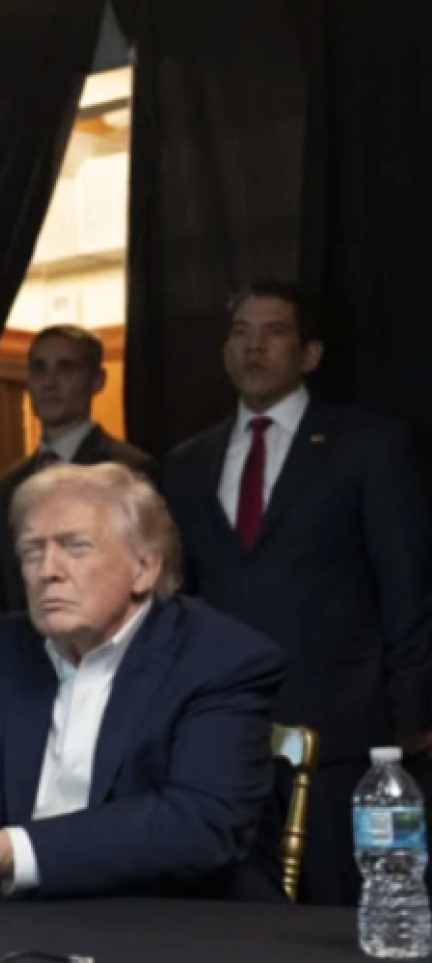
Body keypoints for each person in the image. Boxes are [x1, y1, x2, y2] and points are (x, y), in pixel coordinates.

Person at [0, 464, 286, 900]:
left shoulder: (221, 659)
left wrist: (9, 852)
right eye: (32, 551)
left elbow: (199, 824)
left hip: (171, 914)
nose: (47, 570)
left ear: (144, 567)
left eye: (76, 546)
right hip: (1, 919)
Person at [161, 281, 432, 905]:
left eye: (274, 332)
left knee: (338, 914)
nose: (254, 347)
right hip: (224, 736)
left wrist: (413, 716)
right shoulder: (186, 462)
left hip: (344, 734)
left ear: (309, 354)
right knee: (235, 918)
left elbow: (406, 585)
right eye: (240, 333)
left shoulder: (370, 446)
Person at [0, 325, 154, 620]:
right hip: (19, 646)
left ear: (97, 381)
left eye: (66, 368)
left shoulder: (132, 472)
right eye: (39, 369)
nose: (49, 382)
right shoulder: (4, 490)